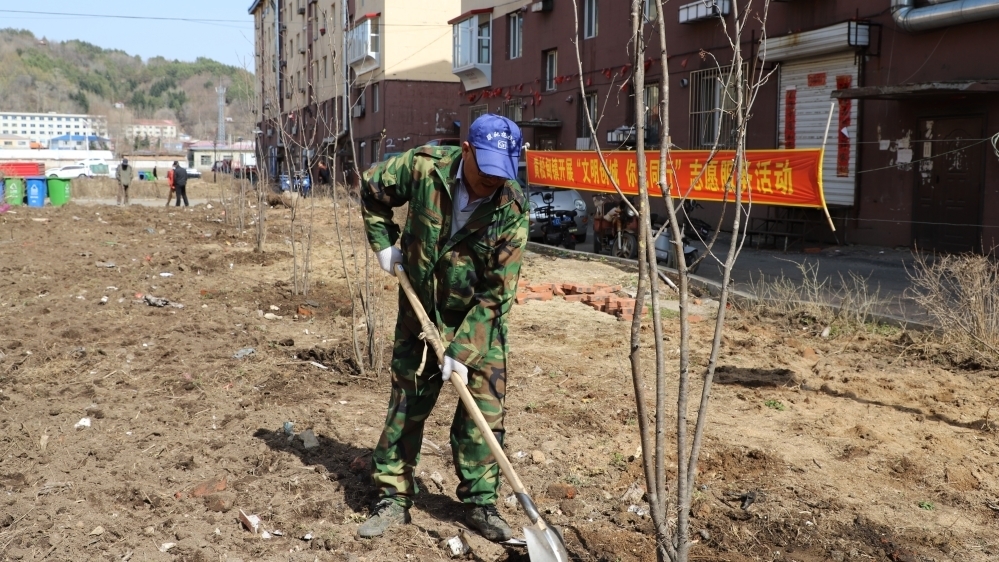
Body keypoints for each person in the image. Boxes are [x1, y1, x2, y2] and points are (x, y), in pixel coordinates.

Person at [358, 115, 528, 541]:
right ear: (466, 151)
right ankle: (392, 497)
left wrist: (462, 352)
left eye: (502, 172)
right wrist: (383, 240)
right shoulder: (423, 167)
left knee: (483, 415)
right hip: (421, 312)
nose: (493, 181)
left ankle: (480, 504)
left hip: (478, 323)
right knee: (408, 402)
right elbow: (372, 187)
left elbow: (496, 297)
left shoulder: (511, 208)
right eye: (486, 169)